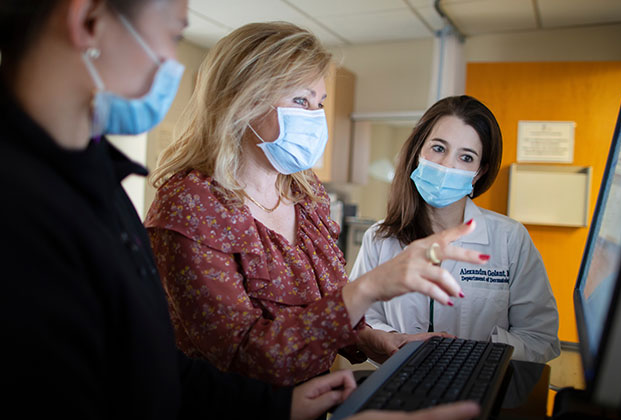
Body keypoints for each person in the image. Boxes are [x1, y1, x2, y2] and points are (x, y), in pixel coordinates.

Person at [0, 0, 482, 419]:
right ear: (89, 22)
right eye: (171, 35)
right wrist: (371, 287)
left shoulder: (92, 181)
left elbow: (151, 364)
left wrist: (297, 397)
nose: (172, 63)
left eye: (319, 103)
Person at [145, 21, 491, 389]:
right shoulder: (192, 205)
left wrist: (379, 342)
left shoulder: (306, 193)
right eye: (300, 101)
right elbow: (245, 354)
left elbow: (319, 314)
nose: (314, 118)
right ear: (244, 99)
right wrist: (368, 288)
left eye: (318, 103)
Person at [349, 95, 561, 363]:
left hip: (482, 391)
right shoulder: (380, 239)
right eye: (438, 148)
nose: (448, 165)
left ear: (478, 173)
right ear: (418, 152)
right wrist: (390, 339)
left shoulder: (509, 239)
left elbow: (540, 338)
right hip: (398, 382)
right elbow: (361, 319)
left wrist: (472, 355)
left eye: (466, 157)